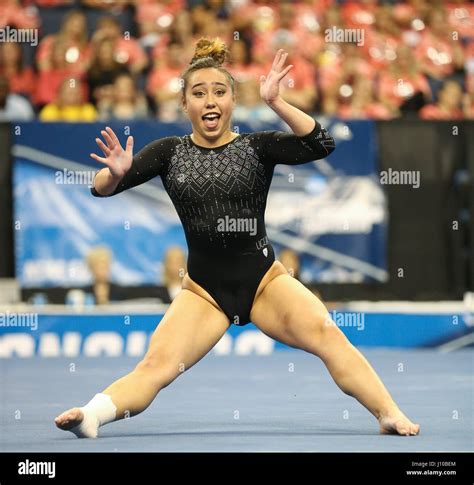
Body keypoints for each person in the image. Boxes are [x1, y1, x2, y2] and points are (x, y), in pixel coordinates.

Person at [55, 37, 420, 439]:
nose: (209, 101)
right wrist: (117, 174)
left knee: (328, 335)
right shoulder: (168, 152)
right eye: (198, 93)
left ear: (231, 101)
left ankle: (387, 412)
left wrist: (277, 103)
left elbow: (321, 143)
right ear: (185, 105)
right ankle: (92, 415)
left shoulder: (256, 147)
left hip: (265, 283)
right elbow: (99, 189)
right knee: (155, 368)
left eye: (219, 92)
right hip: (203, 293)